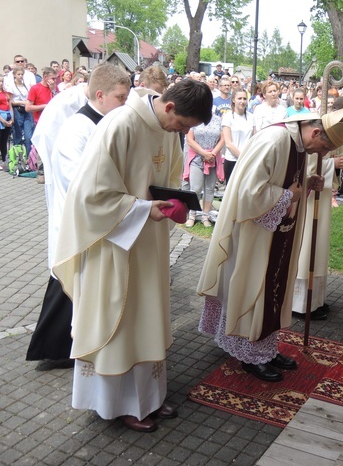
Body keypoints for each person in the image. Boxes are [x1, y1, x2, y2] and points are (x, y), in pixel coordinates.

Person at [52, 79, 213, 432]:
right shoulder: (121, 123)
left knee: (146, 319)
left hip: (148, 244)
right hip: (114, 246)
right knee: (121, 322)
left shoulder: (166, 131)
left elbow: (166, 181)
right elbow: (91, 194)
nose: (183, 133)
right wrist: (142, 209)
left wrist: (175, 204)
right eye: (183, 125)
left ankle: (149, 398)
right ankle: (116, 405)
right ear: (170, 107)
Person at [197, 103, 343, 382]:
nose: (322, 155)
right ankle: (248, 351)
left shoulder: (299, 143)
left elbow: (287, 180)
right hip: (253, 232)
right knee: (254, 288)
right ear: (315, 132)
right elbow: (248, 193)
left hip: (277, 232)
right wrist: (288, 196)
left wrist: (308, 181)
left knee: (273, 288)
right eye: (324, 149)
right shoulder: (274, 140)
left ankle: (264, 347)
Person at [27, 64, 131, 370]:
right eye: (120, 97)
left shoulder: (104, 123)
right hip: (79, 220)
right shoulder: (77, 129)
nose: (125, 104)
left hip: (94, 218)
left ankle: (70, 345)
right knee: (69, 283)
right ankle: (56, 350)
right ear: (100, 95)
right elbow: (79, 181)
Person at [292, 94, 343, 320]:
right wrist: (332, 164)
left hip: (323, 193)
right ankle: (299, 304)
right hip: (308, 198)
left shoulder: (338, 131)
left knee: (319, 248)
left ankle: (316, 300)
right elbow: (307, 161)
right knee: (307, 246)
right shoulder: (317, 127)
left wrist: (334, 165)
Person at [184, 110, 224, 228]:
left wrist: (213, 153)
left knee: (210, 188)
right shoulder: (195, 116)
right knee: (195, 188)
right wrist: (203, 153)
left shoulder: (217, 120)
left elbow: (222, 139)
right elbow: (189, 139)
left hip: (212, 157)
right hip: (197, 157)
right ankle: (192, 214)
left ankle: (205, 215)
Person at [221, 89, 254, 183]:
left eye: (244, 98)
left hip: (248, 160)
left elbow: (254, 138)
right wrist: (242, 157)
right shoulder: (228, 117)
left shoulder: (251, 117)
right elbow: (228, 143)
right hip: (232, 159)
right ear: (233, 100)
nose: (242, 101)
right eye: (239, 98)